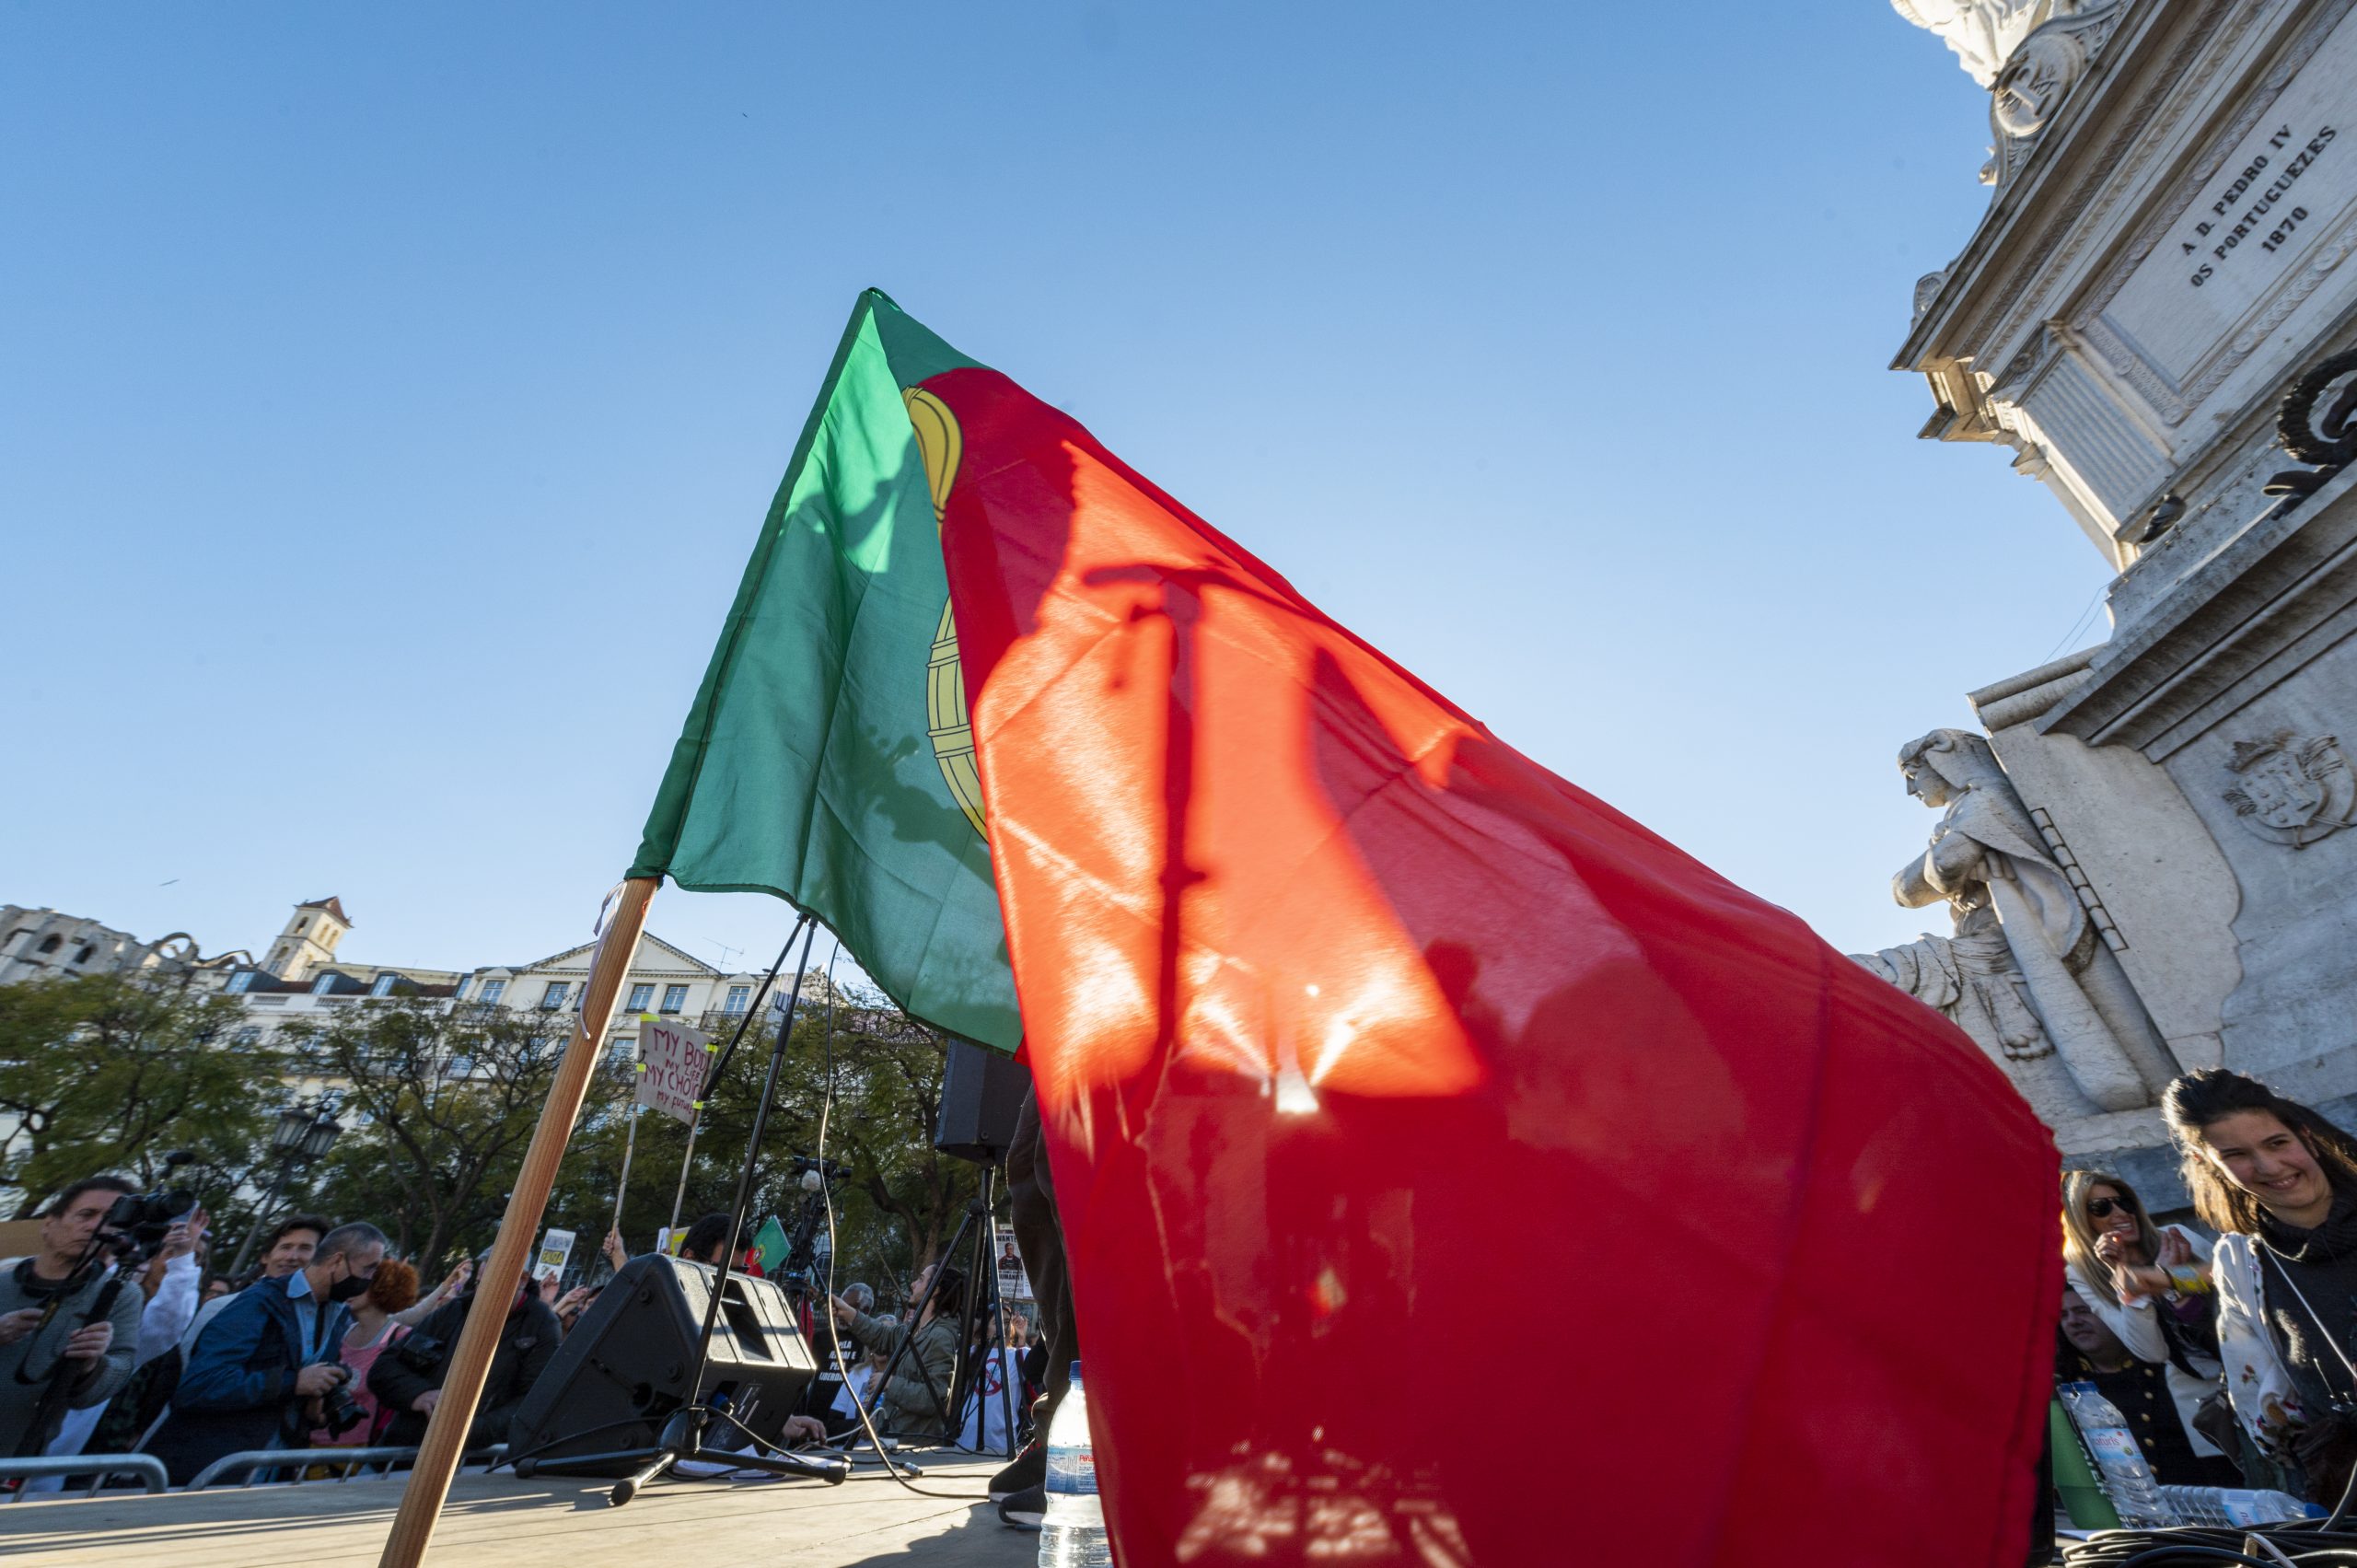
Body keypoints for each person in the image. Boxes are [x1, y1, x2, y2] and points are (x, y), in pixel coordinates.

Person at [2165, 1069, 2357, 1503]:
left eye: (2277, 1143)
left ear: (2305, 1137)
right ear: (2206, 1162)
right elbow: (2264, 1412)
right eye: (2236, 1154)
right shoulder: (2241, 1263)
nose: (2270, 1167)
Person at [145, 1220, 387, 1483]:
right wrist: (293, 1382)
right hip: (208, 1471)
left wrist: (313, 1408)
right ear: (337, 1261)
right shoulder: (259, 1302)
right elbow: (200, 1385)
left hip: (271, 1472)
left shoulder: (338, 1315)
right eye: (369, 1268)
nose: (370, 1279)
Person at [2058, 1170, 2232, 1475]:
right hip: (2202, 1406)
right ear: (2081, 1221)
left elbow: (2227, 1284)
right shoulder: (2083, 1274)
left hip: (2243, 1374)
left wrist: (2169, 1279)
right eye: (2101, 1208)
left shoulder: (2176, 1237)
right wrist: (2128, 1282)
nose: (2120, 1214)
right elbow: (2151, 1351)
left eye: (2124, 1202)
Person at [0, 1176, 145, 1458]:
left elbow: (115, 1373)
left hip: (17, 1457)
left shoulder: (119, 1294)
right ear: (49, 1223)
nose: (95, 1227)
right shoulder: (3, 1282)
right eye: (86, 1214)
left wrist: (91, 1365)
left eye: (111, 1220)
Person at [371, 1254, 562, 1452]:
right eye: (480, 1283)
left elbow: (534, 1401)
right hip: (401, 1450)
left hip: (472, 1461)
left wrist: (469, 1430)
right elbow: (384, 1367)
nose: (485, 1292)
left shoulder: (542, 1325)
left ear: (522, 1280)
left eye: (496, 1284)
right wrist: (419, 1393)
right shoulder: (456, 1310)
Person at [2058, 1286, 2240, 1486]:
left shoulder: (2168, 1367)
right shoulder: (2066, 1385)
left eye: (2084, 1311)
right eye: (2063, 1315)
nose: (2073, 1321)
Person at [995, 1086, 1075, 1528]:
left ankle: (1086, 1444)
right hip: (1061, 1044)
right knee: (1028, 1172)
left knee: (1071, 1169)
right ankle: (1056, 1432)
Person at [830, 1263, 960, 1441]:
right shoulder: (915, 1330)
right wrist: (846, 1311)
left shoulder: (940, 1336)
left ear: (935, 1290)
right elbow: (881, 1335)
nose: (913, 1284)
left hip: (912, 1447)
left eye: (920, 1280)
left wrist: (890, 1383)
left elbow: (934, 1399)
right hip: (895, 1441)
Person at [312, 1259, 419, 1447]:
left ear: (382, 1289)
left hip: (359, 1452)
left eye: (360, 1284)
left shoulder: (400, 1338)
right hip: (310, 1445)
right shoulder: (338, 1331)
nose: (350, 1288)